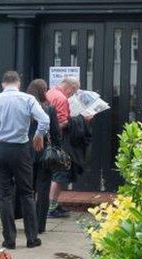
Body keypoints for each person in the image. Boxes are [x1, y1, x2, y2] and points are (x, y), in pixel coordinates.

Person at [0, 71, 49, 249]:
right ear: (18, 83)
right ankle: (32, 238)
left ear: (3, 84)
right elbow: (45, 119)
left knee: (4, 195)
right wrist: (38, 135)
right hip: (20, 149)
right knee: (26, 193)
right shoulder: (27, 99)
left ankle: (9, 239)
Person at [45, 76, 93, 217]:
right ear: (71, 88)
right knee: (59, 174)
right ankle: (51, 207)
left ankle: (51, 204)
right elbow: (60, 124)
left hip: (47, 142)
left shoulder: (50, 93)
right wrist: (82, 119)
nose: (73, 95)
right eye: (74, 92)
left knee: (52, 174)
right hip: (59, 143)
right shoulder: (62, 99)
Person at [25, 78, 62, 234]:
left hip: (25, 153)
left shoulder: (24, 106)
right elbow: (55, 133)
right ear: (43, 91)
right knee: (43, 189)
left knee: (28, 191)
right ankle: (40, 225)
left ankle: (28, 223)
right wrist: (57, 149)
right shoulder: (49, 109)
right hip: (44, 154)